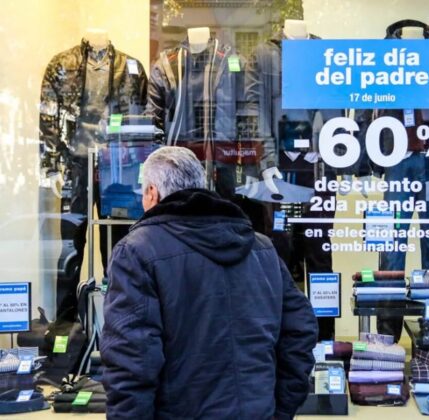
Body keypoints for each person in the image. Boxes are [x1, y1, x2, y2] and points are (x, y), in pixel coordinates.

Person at [100, 146, 318, 419]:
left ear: (152, 193)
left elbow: (131, 362)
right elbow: (300, 331)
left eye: (143, 192)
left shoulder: (136, 251)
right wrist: (280, 409)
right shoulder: (261, 248)